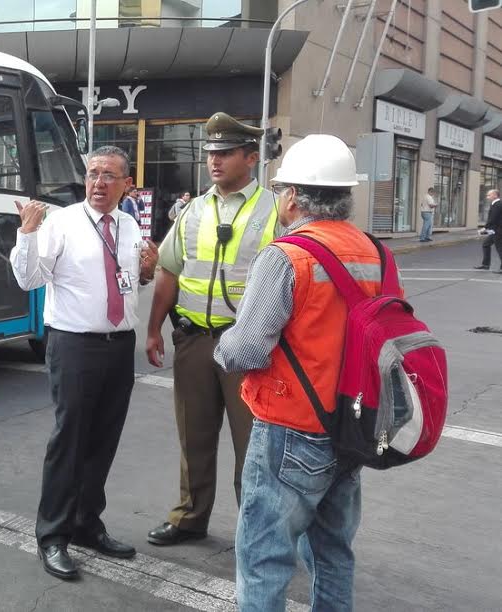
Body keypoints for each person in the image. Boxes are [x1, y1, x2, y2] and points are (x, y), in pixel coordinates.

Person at [214, 134, 395, 610]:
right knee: (333, 552)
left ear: (293, 197)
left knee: (263, 557)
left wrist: (221, 346)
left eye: (279, 192)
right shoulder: (372, 250)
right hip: (350, 425)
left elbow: (248, 349)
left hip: (290, 429)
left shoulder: (287, 255)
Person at [10, 145, 158, 580]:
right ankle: (52, 535)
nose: (98, 182)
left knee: (103, 440)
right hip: (74, 344)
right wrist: (27, 234)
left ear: (126, 184)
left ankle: (87, 523)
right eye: (93, 173)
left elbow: (130, 281)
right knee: (69, 440)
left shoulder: (130, 225)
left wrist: (147, 271)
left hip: (119, 345)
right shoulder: (62, 222)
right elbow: (29, 279)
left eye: (110, 175)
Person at [144, 112, 279, 547]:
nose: (215, 161)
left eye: (225, 153)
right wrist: (153, 331)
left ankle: (255, 529)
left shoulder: (275, 209)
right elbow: (168, 271)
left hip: (248, 347)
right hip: (194, 340)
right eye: (210, 154)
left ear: (251, 158)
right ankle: (189, 517)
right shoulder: (192, 211)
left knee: (253, 445)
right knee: (194, 435)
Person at [474, 189, 501, 272]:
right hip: (494, 230)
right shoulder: (495, 204)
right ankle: (485, 264)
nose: (487, 197)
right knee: (486, 244)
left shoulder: (498, 204)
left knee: (500, 249)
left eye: (489, 195)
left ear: (495, 195)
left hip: (499, 231)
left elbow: (493, 218)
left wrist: (484, 228)